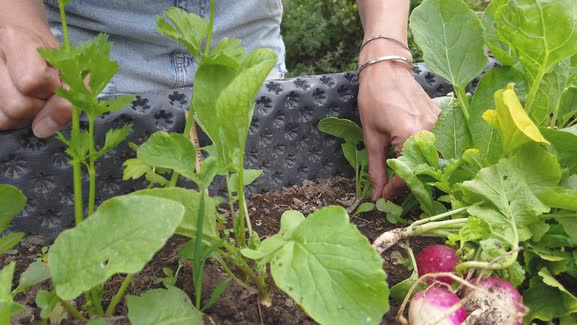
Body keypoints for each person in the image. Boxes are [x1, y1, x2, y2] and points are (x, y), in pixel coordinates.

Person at [0, 0, 439, 201]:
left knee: (251, 190)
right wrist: (14, 17)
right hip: (85, 66)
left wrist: (384, 51)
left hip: (245, 62)